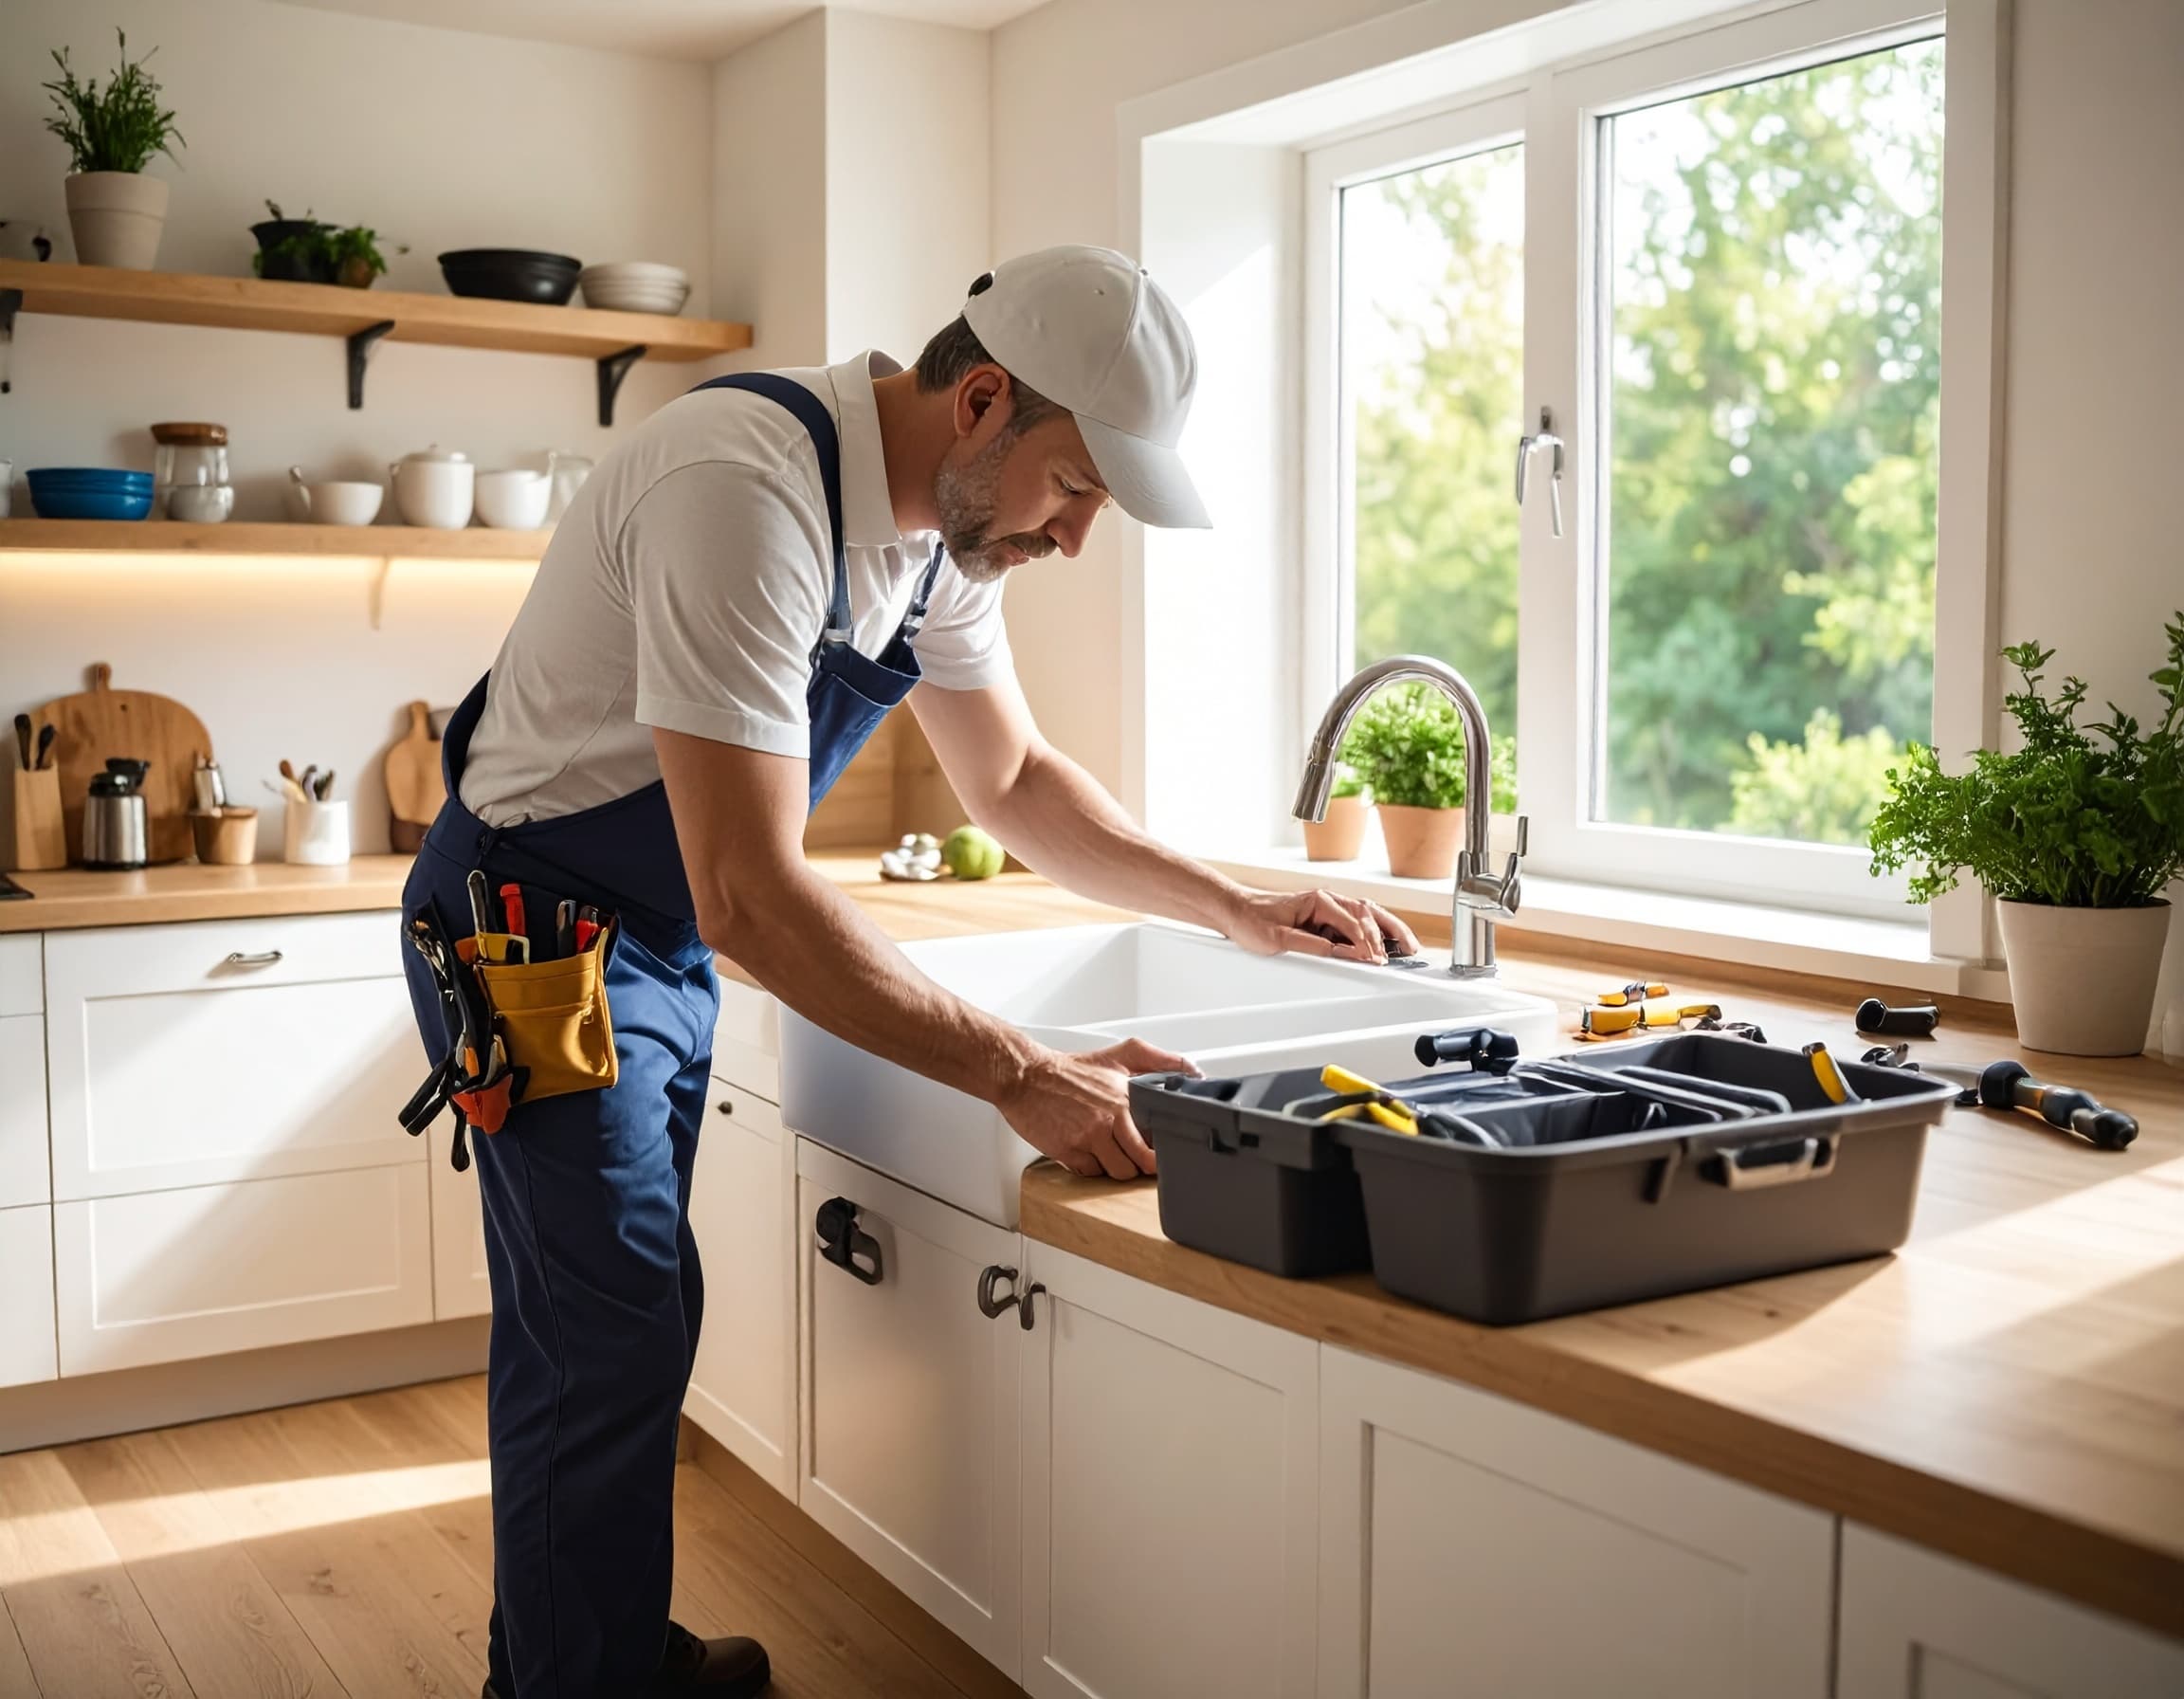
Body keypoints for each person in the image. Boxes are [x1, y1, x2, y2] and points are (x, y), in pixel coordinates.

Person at [396, 245, 1419, 1699]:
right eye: (1073, 489)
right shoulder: (740, 493)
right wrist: (1019, 1070)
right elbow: (751, 892)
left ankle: (585, 1657)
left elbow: (1010, 780)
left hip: (661, 932)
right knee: (606, 1321)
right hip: (536, 934)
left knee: (616, 1318)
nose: (1075, 540)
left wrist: (1236, 906)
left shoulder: (941, 539)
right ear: (983, 402)